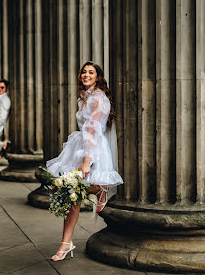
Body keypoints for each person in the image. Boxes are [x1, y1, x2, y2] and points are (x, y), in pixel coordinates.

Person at [46, 61, 123, 261]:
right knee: (72, 194)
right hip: (80, 145)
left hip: (92, 148)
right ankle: (66, 242)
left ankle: (99, 189)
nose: (86, 75)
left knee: (71, 190)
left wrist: (87, 160)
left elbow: (93, 130)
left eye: (91, 72)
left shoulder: (97, 98)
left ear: (98, 77)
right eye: (84, 72)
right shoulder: (85, 97)